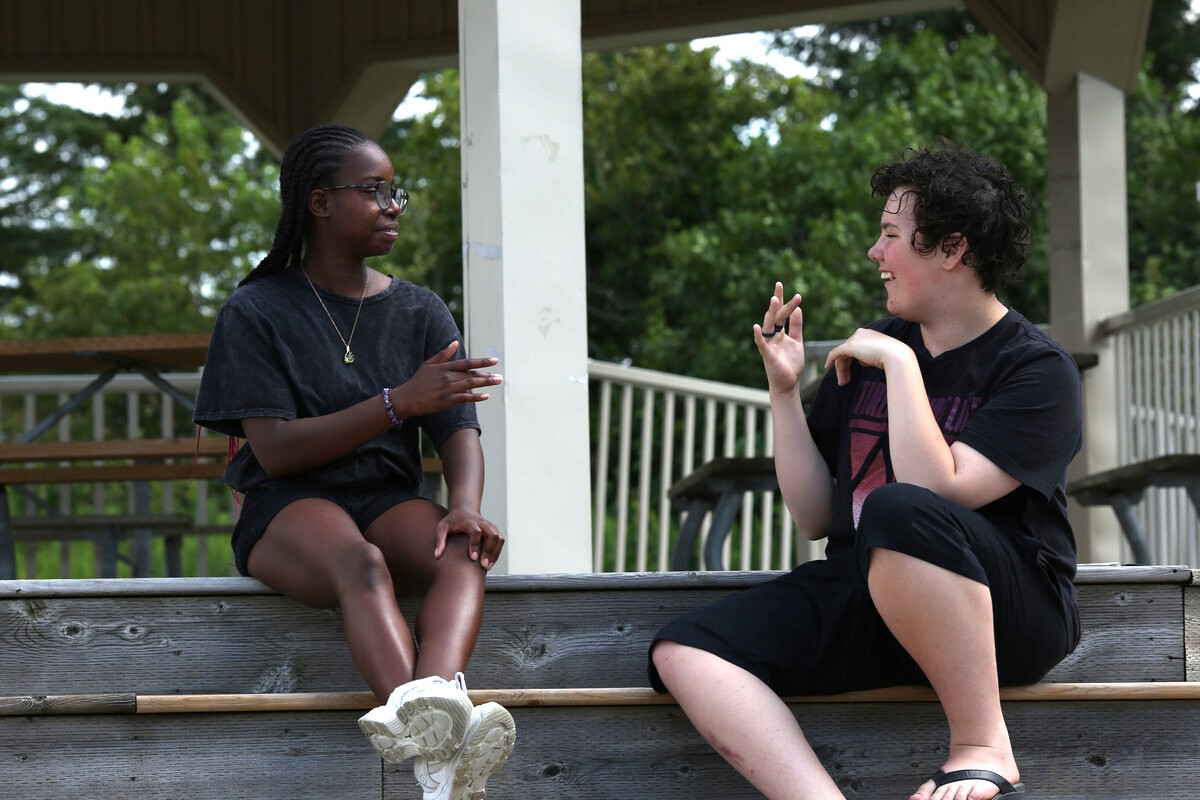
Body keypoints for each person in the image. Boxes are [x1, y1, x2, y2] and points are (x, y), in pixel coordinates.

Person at [648, 144, 1083, 800]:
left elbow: (941, 492)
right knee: (682, 650)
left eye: (889, 235)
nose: (874, 254)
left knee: (896, 509)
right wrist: (786, 392)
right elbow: (817, 514)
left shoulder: (1035, 369)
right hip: (874, 593)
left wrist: (903, 367)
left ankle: (982, 744)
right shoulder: (875, 349)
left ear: (951, 248)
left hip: (1002, 613)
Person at [193, 123, 516, 800]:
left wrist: (465, 504)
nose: (393, 205)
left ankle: (436, 731)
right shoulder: (257, 311)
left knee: (460, 551)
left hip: (384, 498)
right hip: (287, 507)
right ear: (320, 203)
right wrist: (396, 403)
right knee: (360, 562)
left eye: (394, 191)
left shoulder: (419, 309)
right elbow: (276, 451)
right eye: (374, 191)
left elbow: (457, 423)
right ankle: (446, 747)